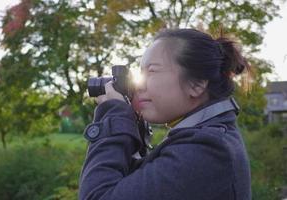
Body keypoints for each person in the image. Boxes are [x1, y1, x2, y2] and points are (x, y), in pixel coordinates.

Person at [79, 28, 251, 200]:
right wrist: (132, 126)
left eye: (152, 71)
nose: (139, 85)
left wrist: (114, 114)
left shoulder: (207, 149)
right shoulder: (207, 137)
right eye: (141, 72)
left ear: (197, 84)